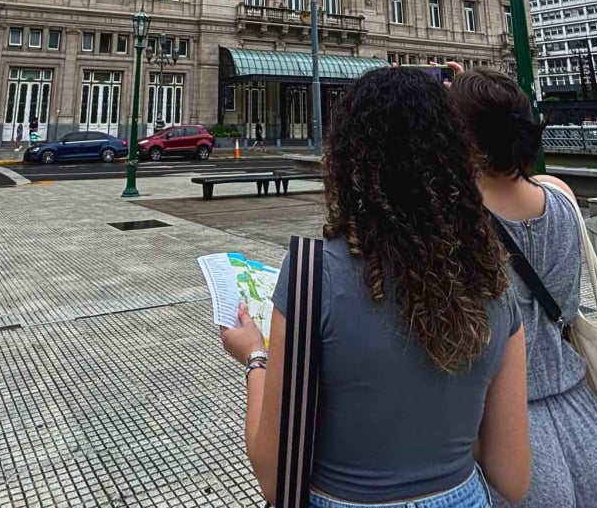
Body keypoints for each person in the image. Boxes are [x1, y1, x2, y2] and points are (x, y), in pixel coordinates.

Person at [221, 66, 531, 507]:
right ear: (457, 159)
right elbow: (513, 478)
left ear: (346, 161)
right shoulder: (492, 278)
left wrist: (254, 356)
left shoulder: (313, 274)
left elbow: (274, 478)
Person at [449, 70, 597, 508]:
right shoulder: (561, 200)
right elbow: (534, 178)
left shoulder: (458, 221)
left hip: (498, 417)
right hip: (579, 406)